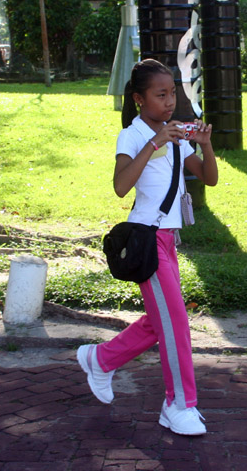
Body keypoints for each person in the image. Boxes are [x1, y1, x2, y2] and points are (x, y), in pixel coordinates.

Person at [77, 59, 218, 436]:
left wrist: (205, 146)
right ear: (139, 99)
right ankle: (178, 404)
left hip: (170, 239)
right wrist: (156, 143)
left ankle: (100, 359)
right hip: (147, 238)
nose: (170, 102)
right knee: (176, 323)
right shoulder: (133, 135)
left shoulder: (177, 136)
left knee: (163, 321)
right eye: (161, 95)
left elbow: (209, 178)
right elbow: (121, 186)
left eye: (172, 94)